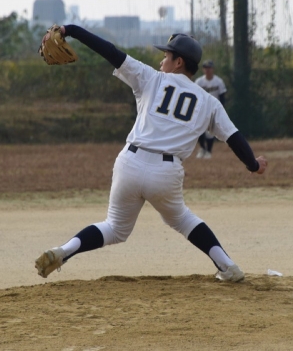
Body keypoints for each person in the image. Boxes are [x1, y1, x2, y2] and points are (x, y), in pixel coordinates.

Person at [35, 26, 268, 282]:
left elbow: (111, 52)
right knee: (183, 220)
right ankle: (227, 266)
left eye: (166, 56)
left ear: (179, 62)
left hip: (130, 163)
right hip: (165, 173)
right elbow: (234, 138)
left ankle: (64, 251)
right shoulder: (208, 102)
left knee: (114, 227)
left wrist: (72, 30)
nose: (161, 61)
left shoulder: (151, 78)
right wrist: (253, 165)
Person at [195, 59, 227, 159]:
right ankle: (202, 148)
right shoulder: (199, 82)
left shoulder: (218, 81)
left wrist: (221, 110)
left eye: (209, 67)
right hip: (201, 109)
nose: (207, 70)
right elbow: (195, 96)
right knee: (198, 129)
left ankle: (208, 151)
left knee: (210, 131)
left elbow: (222, 96)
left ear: (213, 69)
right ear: (203, 69)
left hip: (214, 109)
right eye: (205, 67)